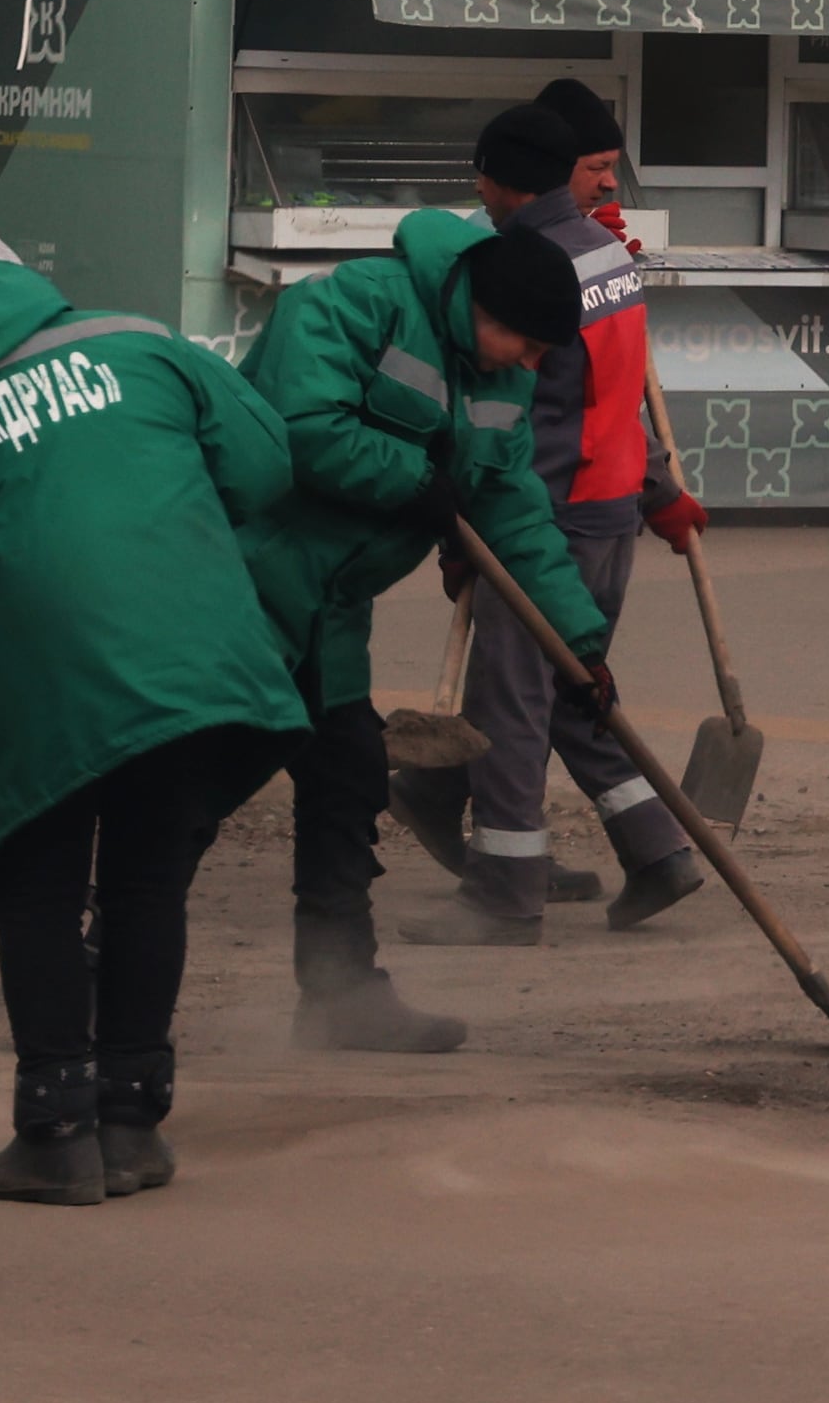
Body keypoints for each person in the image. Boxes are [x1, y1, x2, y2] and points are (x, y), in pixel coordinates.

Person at [0, 230, 314, 1207]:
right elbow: (264, 465)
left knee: (38, 892)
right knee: (147, 885)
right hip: (201, 670)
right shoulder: (142, 343)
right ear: (27, 285)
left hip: (40, 686)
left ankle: (56, 1135)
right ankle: (132, 1124)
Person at [241, 197, 620, 1019]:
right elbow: (300, 424)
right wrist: (411, 476)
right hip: (241, 586)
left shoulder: (502, 380)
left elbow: (514, 512)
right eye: (524, 340)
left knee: (346, 780)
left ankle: (342, 996)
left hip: (332, 611)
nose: (529, 362)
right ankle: (98, 956)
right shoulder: (347, 303)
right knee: (195, 783)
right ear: (483, 306)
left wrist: (577, 646)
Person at [387, 93, 711, 932]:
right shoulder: (608, 252)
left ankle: (504, 889)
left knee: (512, 703)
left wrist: (472, 523)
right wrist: (658, 488)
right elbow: (619, 394)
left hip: (547, 516)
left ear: (502, 185)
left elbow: (517, 411)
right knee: (575, 693)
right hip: (608, 512)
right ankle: (659, 849)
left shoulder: (521, 271)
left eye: (485, 186)